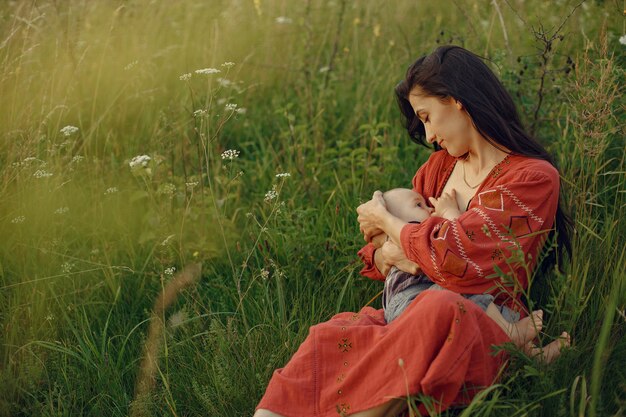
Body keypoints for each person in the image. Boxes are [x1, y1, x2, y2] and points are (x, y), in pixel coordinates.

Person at [255, 45, 572, 417]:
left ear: (457, 101)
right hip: (409, 309)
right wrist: (388, 251)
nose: (429, 134)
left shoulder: (532, 178)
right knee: (331, 334)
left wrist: (389, 224)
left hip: (485, 319)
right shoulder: (438, 169)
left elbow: (458, 258)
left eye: (427, 117)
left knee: (439, 307)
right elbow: (392, 251)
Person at [380, 188, 567, 359]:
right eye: (418, 205)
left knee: (479, 308)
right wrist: (449, 213)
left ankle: (536, 356)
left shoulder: (400, 240)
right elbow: (458, 244)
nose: (429, 209)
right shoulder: (410, 233)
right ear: (396, 220)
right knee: (461, 285)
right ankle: (510, 334)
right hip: (411, 303)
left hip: (406, 308)